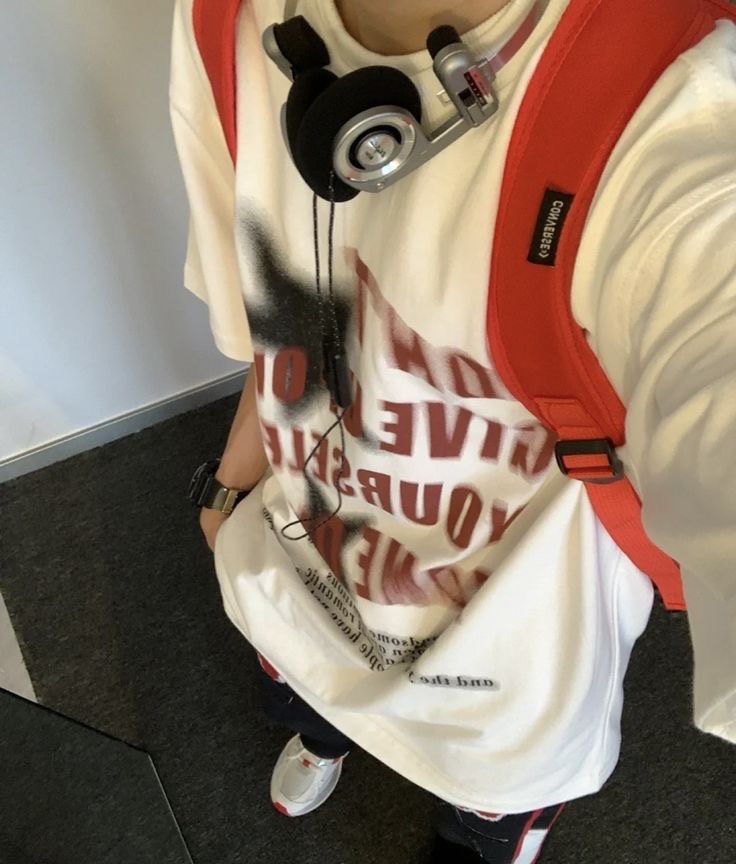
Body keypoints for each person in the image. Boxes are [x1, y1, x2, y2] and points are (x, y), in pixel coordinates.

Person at [169, 0, 736, 861]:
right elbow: (276, 325)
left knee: (482, 824)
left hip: (504, 692)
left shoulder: (677, 113)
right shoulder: (223, 21)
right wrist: (227, 489)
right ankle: (330, 733)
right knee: (305, 702)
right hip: (295, 591)